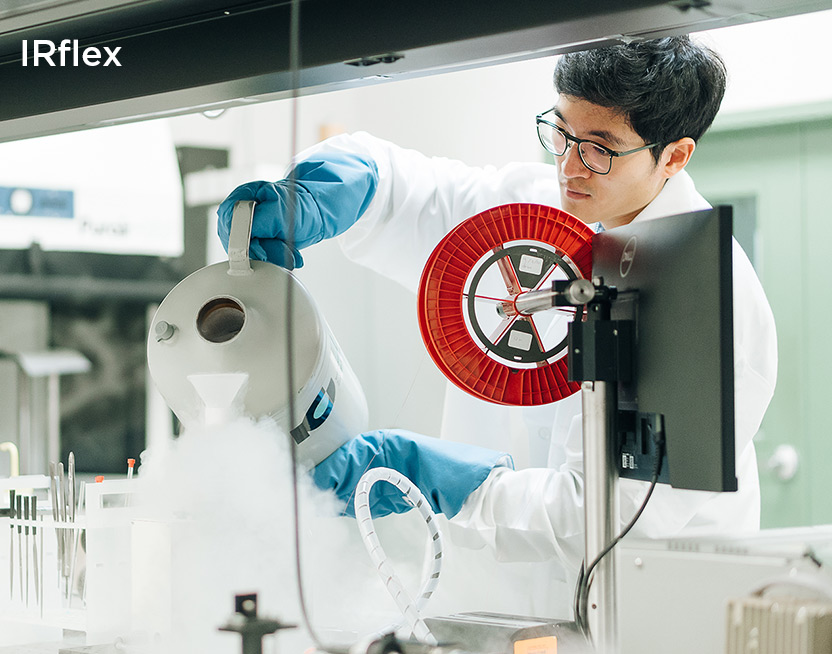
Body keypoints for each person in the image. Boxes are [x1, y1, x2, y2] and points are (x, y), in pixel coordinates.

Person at [217, 36, 777, 615]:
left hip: (648, 620)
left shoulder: (707, 300)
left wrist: (436, 473)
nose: (567, 166)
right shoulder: (534, 207)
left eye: (599, 149)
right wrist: (339, 184)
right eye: (560, 132)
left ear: (675, 156)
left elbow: (606, 517)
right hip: (487, 608)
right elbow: (416, 194)